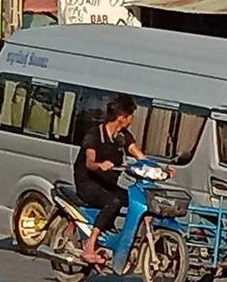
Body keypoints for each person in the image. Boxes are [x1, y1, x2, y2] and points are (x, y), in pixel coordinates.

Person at [73, 95, 173, 264]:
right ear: (122, 117)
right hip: (88, 183)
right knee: (114, 201)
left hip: (108, 184)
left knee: (136, 200)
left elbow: (140, 156)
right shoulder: (95, 134)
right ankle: (90, 245)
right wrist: (100, 165)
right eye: (131, 115)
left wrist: (162, 170)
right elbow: (89, 162)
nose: (132, 119)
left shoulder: (123, 136)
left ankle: (119, 237)